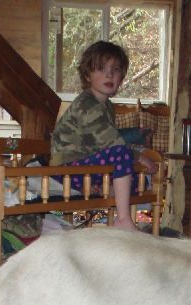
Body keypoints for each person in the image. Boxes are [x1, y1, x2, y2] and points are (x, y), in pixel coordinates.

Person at [50, 40, 158, 231]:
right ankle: (123, 219)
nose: (109, 74)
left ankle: (107, 195)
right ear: (87, 75)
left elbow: (108, 141)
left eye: (115, 70)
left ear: (122, 77)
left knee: (128, 173)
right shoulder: (87, 105)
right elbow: (111, 143)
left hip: (86, 165)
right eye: (101, 69)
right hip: (68, 167)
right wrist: (140, 156)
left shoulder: (106, 105)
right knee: (122, 155)